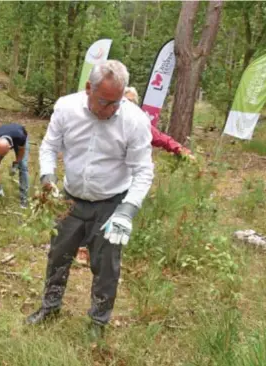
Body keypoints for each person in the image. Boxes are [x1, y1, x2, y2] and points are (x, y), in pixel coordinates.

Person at [26, 60, 154, 336]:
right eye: (104, 102)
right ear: (88, 88)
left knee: (106, 266)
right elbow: (49, 145)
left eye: (116, 102)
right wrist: (47, 178)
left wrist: (126, 211)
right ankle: (50, 307)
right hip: (70, 199)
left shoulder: (134, 120)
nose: (111, 109)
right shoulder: (66, 108)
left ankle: (98, 321)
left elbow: (143, 171)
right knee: (58, 255)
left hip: (110, 202)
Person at [75, 86, 194, 266]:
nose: (127, 104)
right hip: (99, 179)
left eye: (131, 101)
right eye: (124, 100)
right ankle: (82, 247)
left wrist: (181, 150)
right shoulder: (101, 120)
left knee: (116, 215)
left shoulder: (137, 123)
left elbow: (161, 138)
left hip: (125, 181)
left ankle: (104, 251)